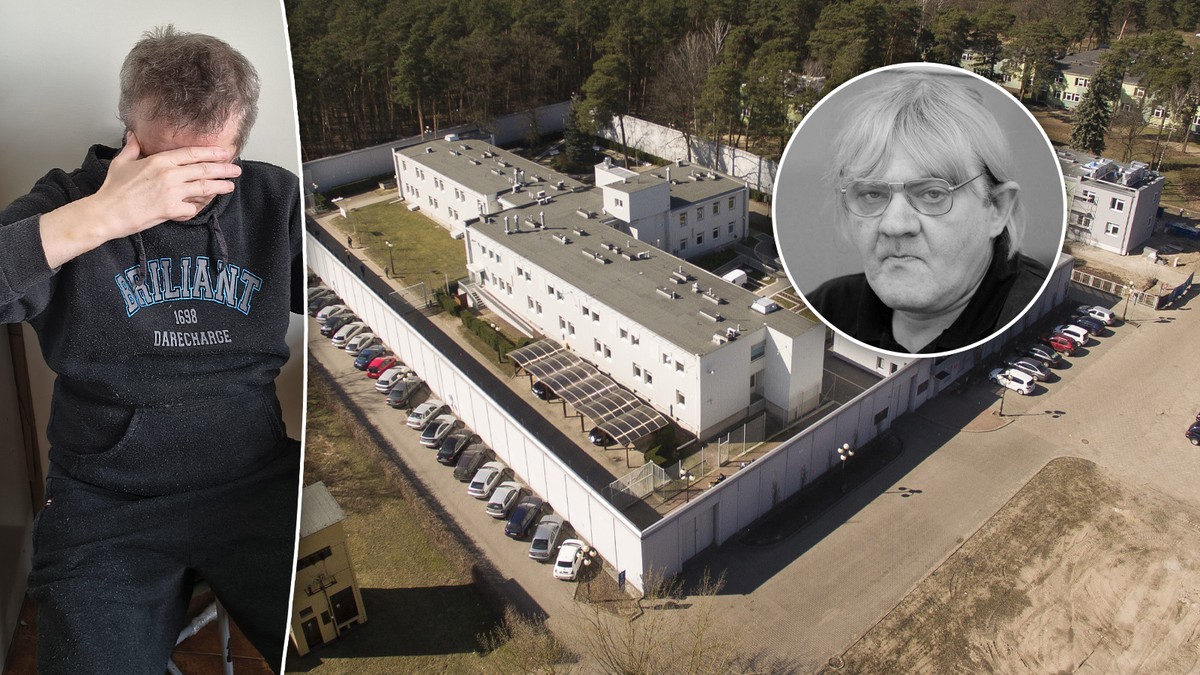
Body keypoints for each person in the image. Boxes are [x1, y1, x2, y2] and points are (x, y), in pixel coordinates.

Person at [0, 27, 302, 673]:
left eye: (208, 167)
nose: (182, 190)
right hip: (105, 502)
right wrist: (107, 215)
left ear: (239, 145)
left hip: (257, 483)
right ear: (129, 133)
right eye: (162, 165)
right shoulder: (70, 199)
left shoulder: (272, 198)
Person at [805, 70, 1048, 355]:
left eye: (933, 194)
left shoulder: (1037, 319)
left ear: (997, 208)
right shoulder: (827, 308)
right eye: (872, 194)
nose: (895, 225)